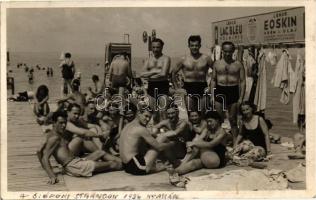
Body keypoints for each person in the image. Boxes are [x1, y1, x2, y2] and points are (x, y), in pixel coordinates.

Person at [36, 111, 121, 184]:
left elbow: (39, 152)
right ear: (54, 123)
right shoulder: (54, 138)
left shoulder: (54, 134)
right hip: (75, 167)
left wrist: (44, 165)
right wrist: (52, 176)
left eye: (65, 122)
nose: (63, 125)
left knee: (100, 152)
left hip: (76, 161)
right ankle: (126, 165)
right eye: (60, 123)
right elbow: (44, 157)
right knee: (113, 164)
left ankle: (123, 162)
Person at [167, 111, 227, 186]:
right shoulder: (207, 130)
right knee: (193, 164)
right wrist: (191, 144)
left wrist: (193, 143)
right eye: (207, 122)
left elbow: (210, 144)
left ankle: (182, 163)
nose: (209, 124)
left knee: (197, 145)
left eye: (210, 121)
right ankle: (175, 173)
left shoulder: (222, 132)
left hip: (216, 161)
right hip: (206, 157)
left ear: (217, 120)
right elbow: (199, 139)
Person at [119, 105, 174, 175]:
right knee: (162, 138)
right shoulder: (140, 129)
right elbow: (159, 147)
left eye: (150, 118)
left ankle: (166, 163)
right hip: (137, 167)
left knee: (152, 142)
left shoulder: (128, 125)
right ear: (139, 113)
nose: (148, 119)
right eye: (146, 116)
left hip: (126, 166)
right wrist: (173, 143)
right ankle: (174, 162)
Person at [211, 41, 246, 143]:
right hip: (220, 90)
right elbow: (213, 80)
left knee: (233, 119)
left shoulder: (238, 64)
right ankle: (219, 141)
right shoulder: (217, 63)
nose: (227, 53)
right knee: (218, 119)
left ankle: (235, 142)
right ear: (222, 51)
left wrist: (241, 98)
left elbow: (243, 82)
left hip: (233, 91)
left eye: (229, 51)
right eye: (225, 51)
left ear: (233, 51)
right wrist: (212, 96)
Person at [172, 35, 213, 112]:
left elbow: (216, 71)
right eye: (192, 45)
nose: (194, 47)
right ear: (189, 46)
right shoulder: (183, 59)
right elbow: (173, 73)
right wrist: (177, 88)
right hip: (188, 87)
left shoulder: (206, 58)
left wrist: (211, 86)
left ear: (200, 46)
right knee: (191, 115)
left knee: (202, 114)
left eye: (196, 45)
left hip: (202, 86)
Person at [141, 38, 171, 124]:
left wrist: (149, 75)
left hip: (163, 86)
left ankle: (166, 131)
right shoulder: (148, 60)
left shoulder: (166, 58)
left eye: (157, 47)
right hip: (151, 86)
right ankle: (157, 131)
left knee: (163, 111)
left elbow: (164, 74)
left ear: (162, 47)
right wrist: (156, 71)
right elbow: (142, 74)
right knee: (154, 113)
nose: (155, 49)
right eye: (153, 47)